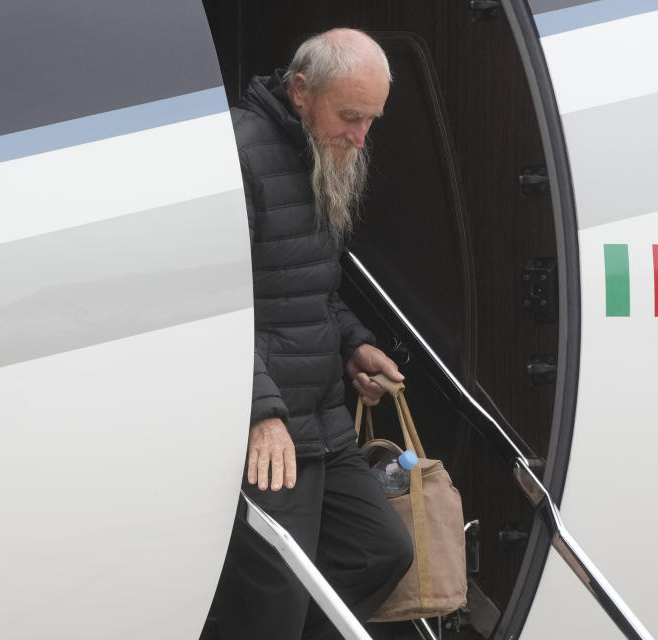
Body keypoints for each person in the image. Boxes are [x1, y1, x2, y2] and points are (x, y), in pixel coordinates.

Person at [205, 29, 414, 640]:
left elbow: (313, 290)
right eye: (351, 117)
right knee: (273, 606)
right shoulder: (239, 151)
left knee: (382, 551)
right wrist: (260, 411)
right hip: (272, 433)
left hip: (322, 417)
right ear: (301, 91)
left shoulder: (321, 154)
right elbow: (214, 309)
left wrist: (353, 346)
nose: (360, 136)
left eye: (371, 121)